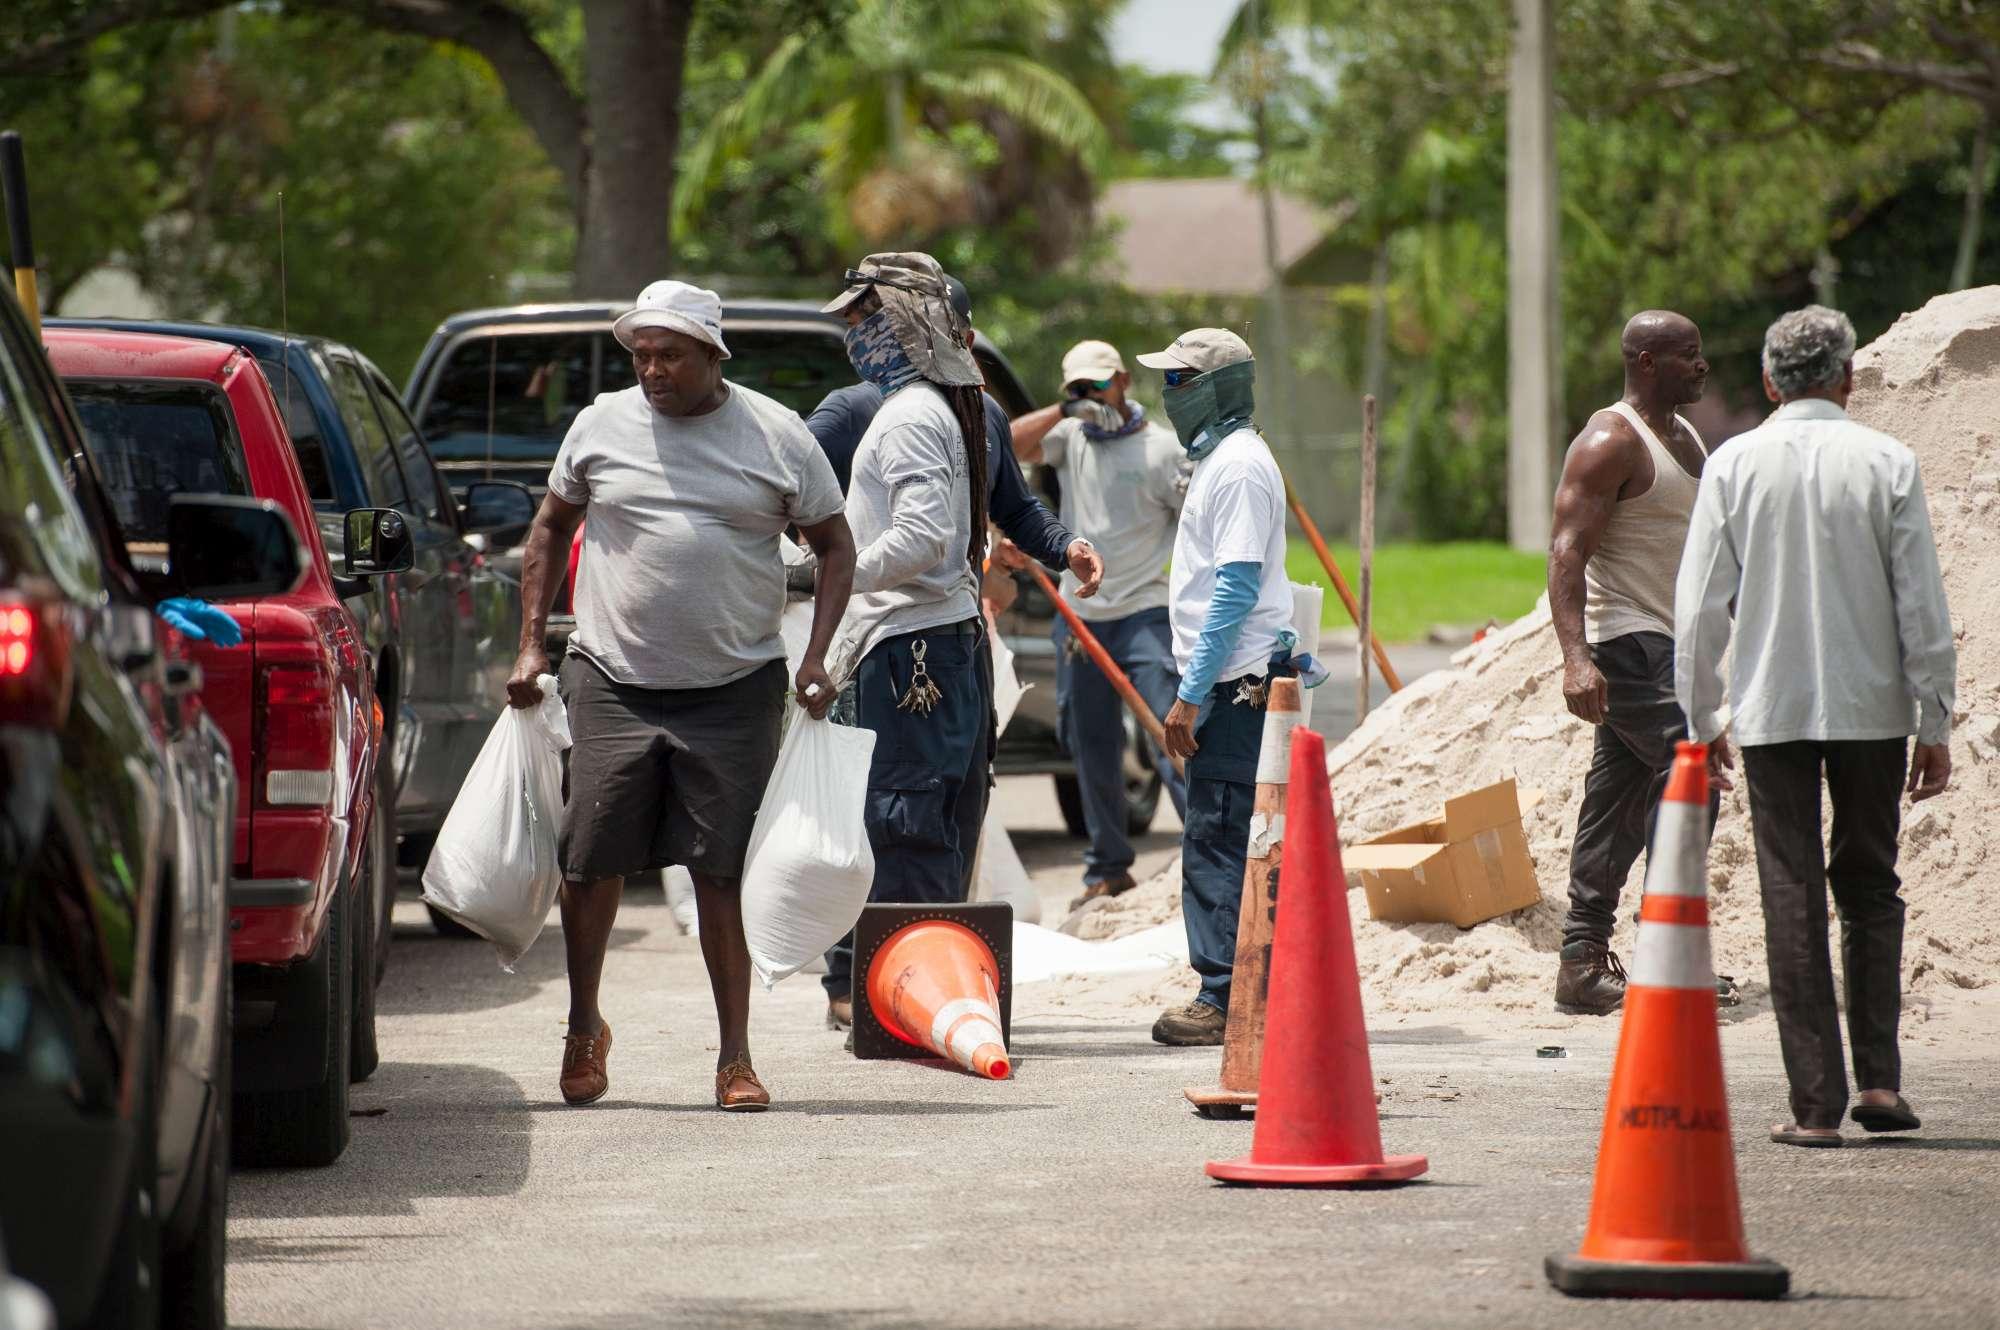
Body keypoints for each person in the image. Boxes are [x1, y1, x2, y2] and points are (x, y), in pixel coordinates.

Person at [506, 280, 856, 1111]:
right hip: (612, 676)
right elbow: (551, 525)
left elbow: (837, 548)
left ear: (712, 356)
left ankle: (736, 1056)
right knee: (589, 865)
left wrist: (817, 657)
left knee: (722, 874)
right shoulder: (600, 423)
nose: (653, 370)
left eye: (670, 355)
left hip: (735, 686)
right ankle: (584, 1026)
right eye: (642, 355)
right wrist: (529, 642)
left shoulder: (778, 435)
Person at [1676, 305, 1955, 1148]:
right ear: (1849, 378)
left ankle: (1813, 1107)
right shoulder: (1887, 461)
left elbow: (1698, 610)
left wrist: (1701, 714)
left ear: (1767, 382)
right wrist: (1934, 714)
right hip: (1874, 710)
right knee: (1870, 884)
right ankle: (1879, 1080)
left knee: (1790, 892)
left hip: (1771, 710)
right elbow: (1922, 604)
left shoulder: (1734, 464)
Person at [815, 253, 1024, 1031]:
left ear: (912, 323)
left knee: (906, 826)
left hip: (912, 652)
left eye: (867, 318)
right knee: (923, 824)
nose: (855, 334)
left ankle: (910, 1004)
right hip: (938, 642)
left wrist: (826, 574)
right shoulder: (943, 409)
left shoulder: (909, 418)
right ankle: (921, 996)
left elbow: (922, 539)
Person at [1547, 310, 1726, 1016]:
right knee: (1696, 774)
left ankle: (1581, 963)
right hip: (1627, 641)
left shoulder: (1686, 435)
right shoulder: (1610, 440)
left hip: (1673, 646)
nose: (1703, 366)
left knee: (1616, 799)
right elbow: (1567, 551)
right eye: (1689, 355)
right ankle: (1663, 953)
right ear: (1647, 363)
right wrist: (1575, 659)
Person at [1142, 328, 1305, 1047]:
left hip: (1234, 687)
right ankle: (1248, 985)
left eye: (1179, 380)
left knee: (1220, 839)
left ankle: (1222, 994)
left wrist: (1191, 691)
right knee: (1235, 837)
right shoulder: (1224, 461)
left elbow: (1235, 588)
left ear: (1215, 386)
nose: (1167, 394)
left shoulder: (1237, 467)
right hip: (1235, 680)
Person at [1011, 339, 1189, 910]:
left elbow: (1198, 527)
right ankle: (1108, 867)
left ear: (1124, 382)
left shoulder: (1163, 451)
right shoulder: (1069, 438)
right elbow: (1001, 446)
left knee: (1171, 732)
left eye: (1099, 386)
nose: (1093, 398)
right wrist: (1065, 412)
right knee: (1089, 743)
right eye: (1079, 389)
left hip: (1142, 610)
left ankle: (1205, 849)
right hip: (1079, 616)